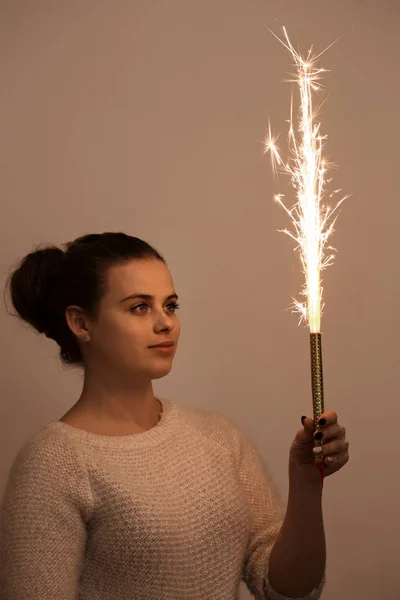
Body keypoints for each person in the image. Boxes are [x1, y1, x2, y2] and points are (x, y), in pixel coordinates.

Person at [0, 232, 349, 600]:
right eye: (139, 307)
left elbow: (287, 590)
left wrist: (307, 485)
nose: (165, 323)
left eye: (170, 305)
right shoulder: (54, 462)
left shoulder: (218, 437)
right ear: (82, 324)